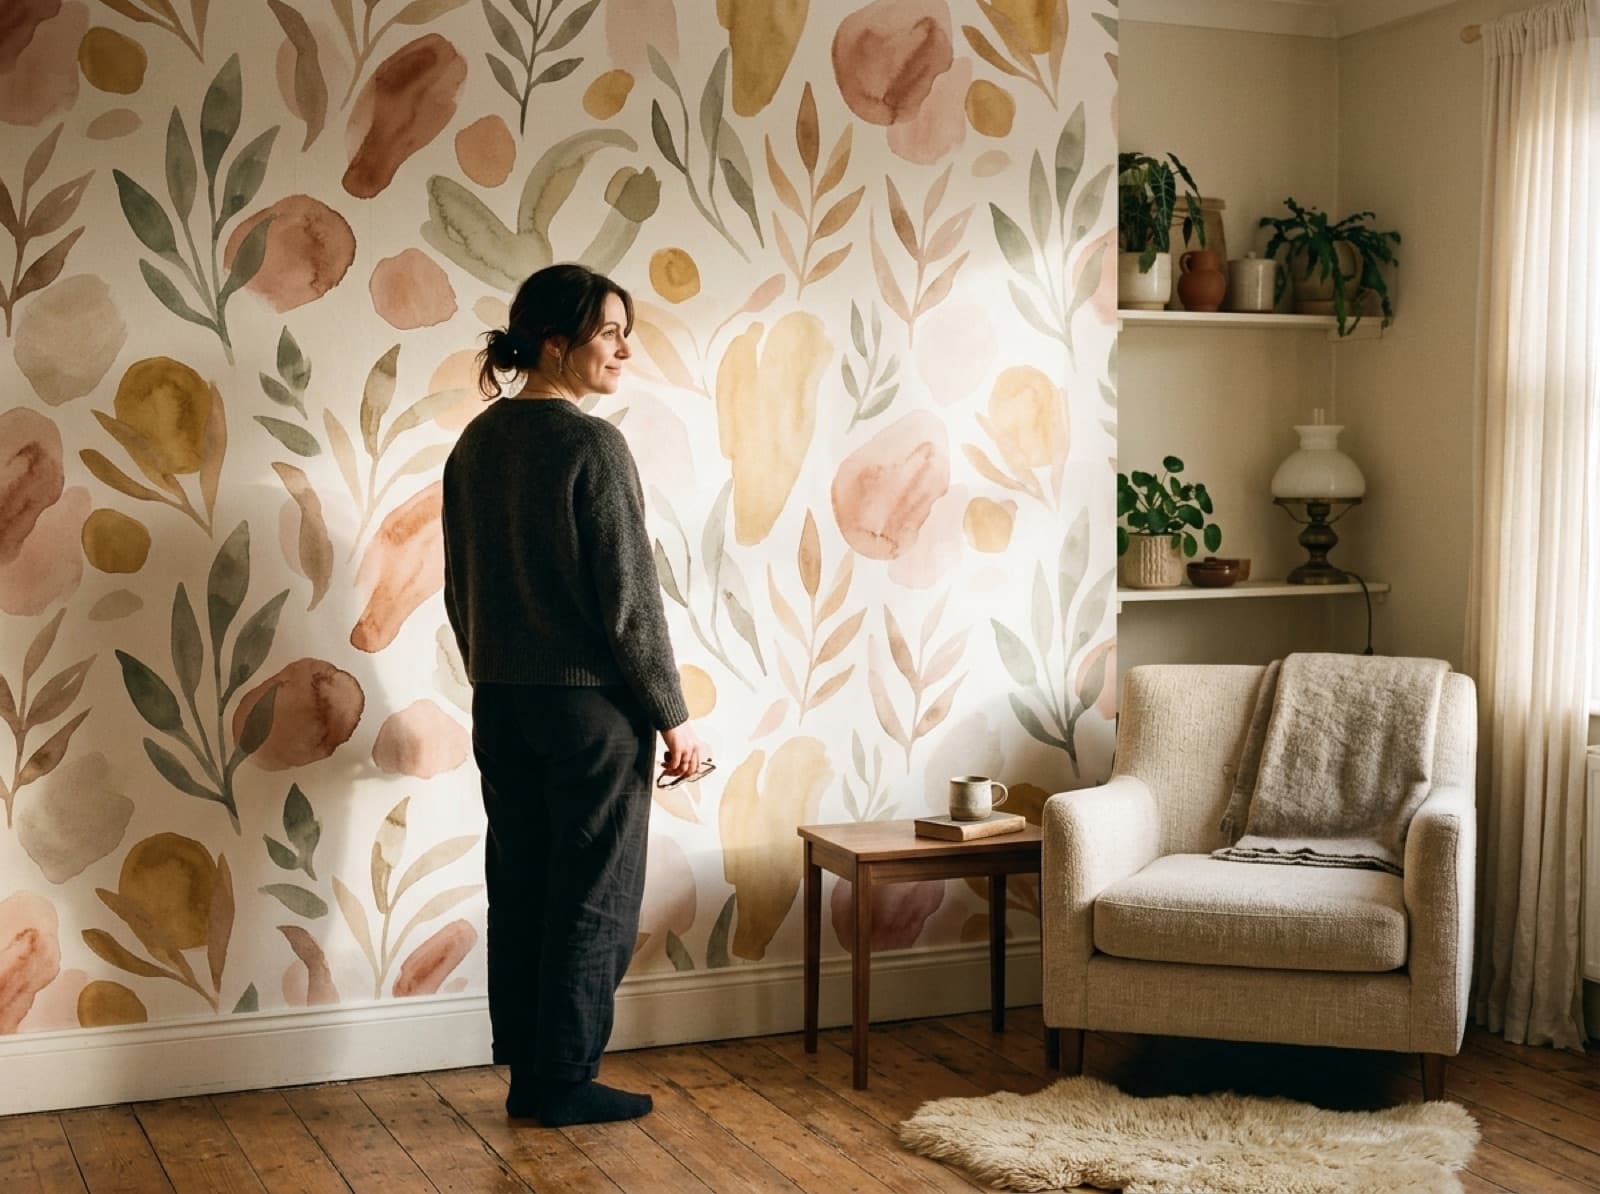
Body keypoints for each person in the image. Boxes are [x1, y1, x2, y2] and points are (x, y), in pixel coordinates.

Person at [441, 262, 704, 1127]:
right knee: (595, 892)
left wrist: (491, 670)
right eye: (609, 333)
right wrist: (673, 716)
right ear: (556, 343)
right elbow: (630, 600)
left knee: (521, 886)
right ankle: (564, 1080)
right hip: (590, 712)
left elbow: (459, 586)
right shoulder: (592, 446)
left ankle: (531, 1072)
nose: (624, 350)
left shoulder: (476, 445)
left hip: (501, 702)